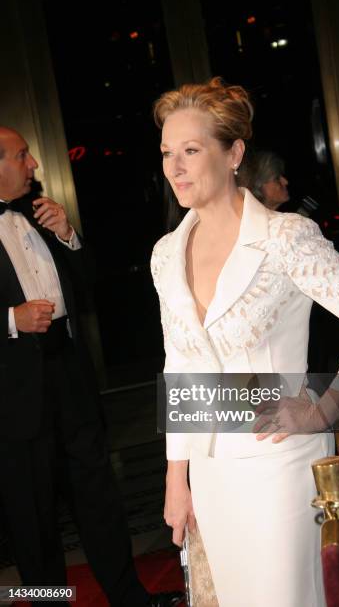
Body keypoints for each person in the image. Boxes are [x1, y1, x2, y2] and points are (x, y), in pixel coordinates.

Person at [150, 78, 339, 606]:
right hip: (211, 470)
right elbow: (180, 367)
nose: (174, 167)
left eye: (191, 151)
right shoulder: (165, 254)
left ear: (234, 153)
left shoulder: (283, 238)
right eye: (167, 153)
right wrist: (177, 478)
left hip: (278, 463)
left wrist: (325, 409)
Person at [0, 127, 182, 607]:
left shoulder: (42, 214)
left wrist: (67, 235)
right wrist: (10, 320)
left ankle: (130, 598)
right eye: (22, 156)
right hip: (14, 393)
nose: (34, 163)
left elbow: (86, 285)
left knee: (98, 497)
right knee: (33, 519)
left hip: (70, 375)